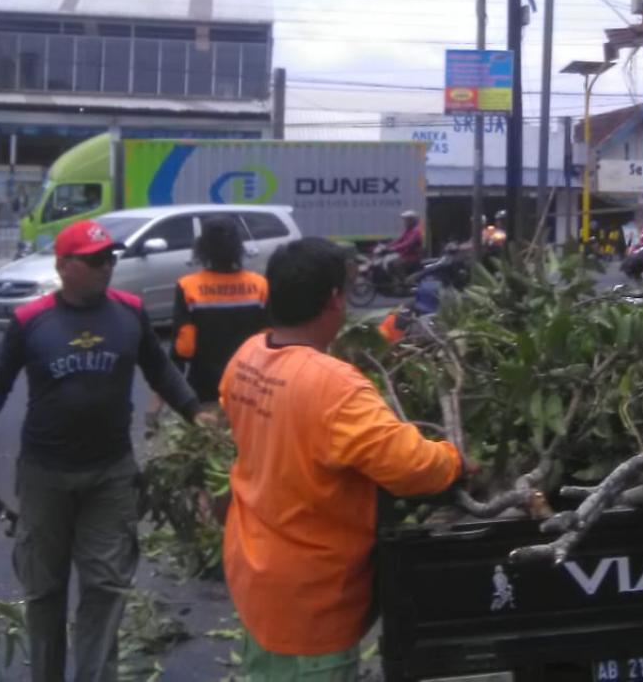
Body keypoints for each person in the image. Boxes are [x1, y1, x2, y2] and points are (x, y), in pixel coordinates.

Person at [0, 219, 202, 682]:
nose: (107, 266)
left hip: (111, 473)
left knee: (106, 586)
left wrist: (194, 413)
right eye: (95, 260)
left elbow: (160, 370)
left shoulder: (130, 312)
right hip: (45, 474)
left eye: (110, 257)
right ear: (64, 266)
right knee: (44, 590)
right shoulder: (31, 320)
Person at [220, 238, 463, 679]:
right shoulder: (334, 387)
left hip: (255, 576)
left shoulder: (247, 357)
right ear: (334, 299)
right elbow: (411, 467)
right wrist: (455, 460)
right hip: (311, 598)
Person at [171, 217, 268, 404]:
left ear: (202, 248)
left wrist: (162, 400)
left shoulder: (188, 287)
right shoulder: (260, 285)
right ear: (238, 246)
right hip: (250, 388)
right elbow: (268, 342)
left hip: (204, 388)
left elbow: (184, 348)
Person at [382, 209, 424, 280]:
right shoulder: (408, 230)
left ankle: (404, 282)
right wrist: (387, 246)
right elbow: (400, 240)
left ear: (412, 220)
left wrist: (394, 248)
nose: (405, 222)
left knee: (394, 263)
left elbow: (408, 243)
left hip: (412, 258)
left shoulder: (416, 231)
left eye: (406, 220)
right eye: (405, 220)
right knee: (390, 262)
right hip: (405, 256)